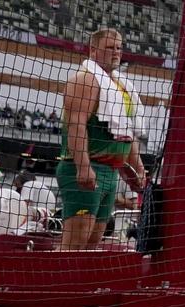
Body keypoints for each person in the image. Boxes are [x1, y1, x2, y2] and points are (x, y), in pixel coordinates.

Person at [57, 28, 148, 250]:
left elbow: (127, 133)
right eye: (110, 47)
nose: (116, 52)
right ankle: (52, 284)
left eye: (119, 47)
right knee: (75, 244)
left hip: (111, 172)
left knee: (92, 243)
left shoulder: (122, 87)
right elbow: (75, 125)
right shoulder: (84, 80)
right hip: (84, 168)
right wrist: (83, 167)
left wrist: (138, 170)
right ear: (94, 50)